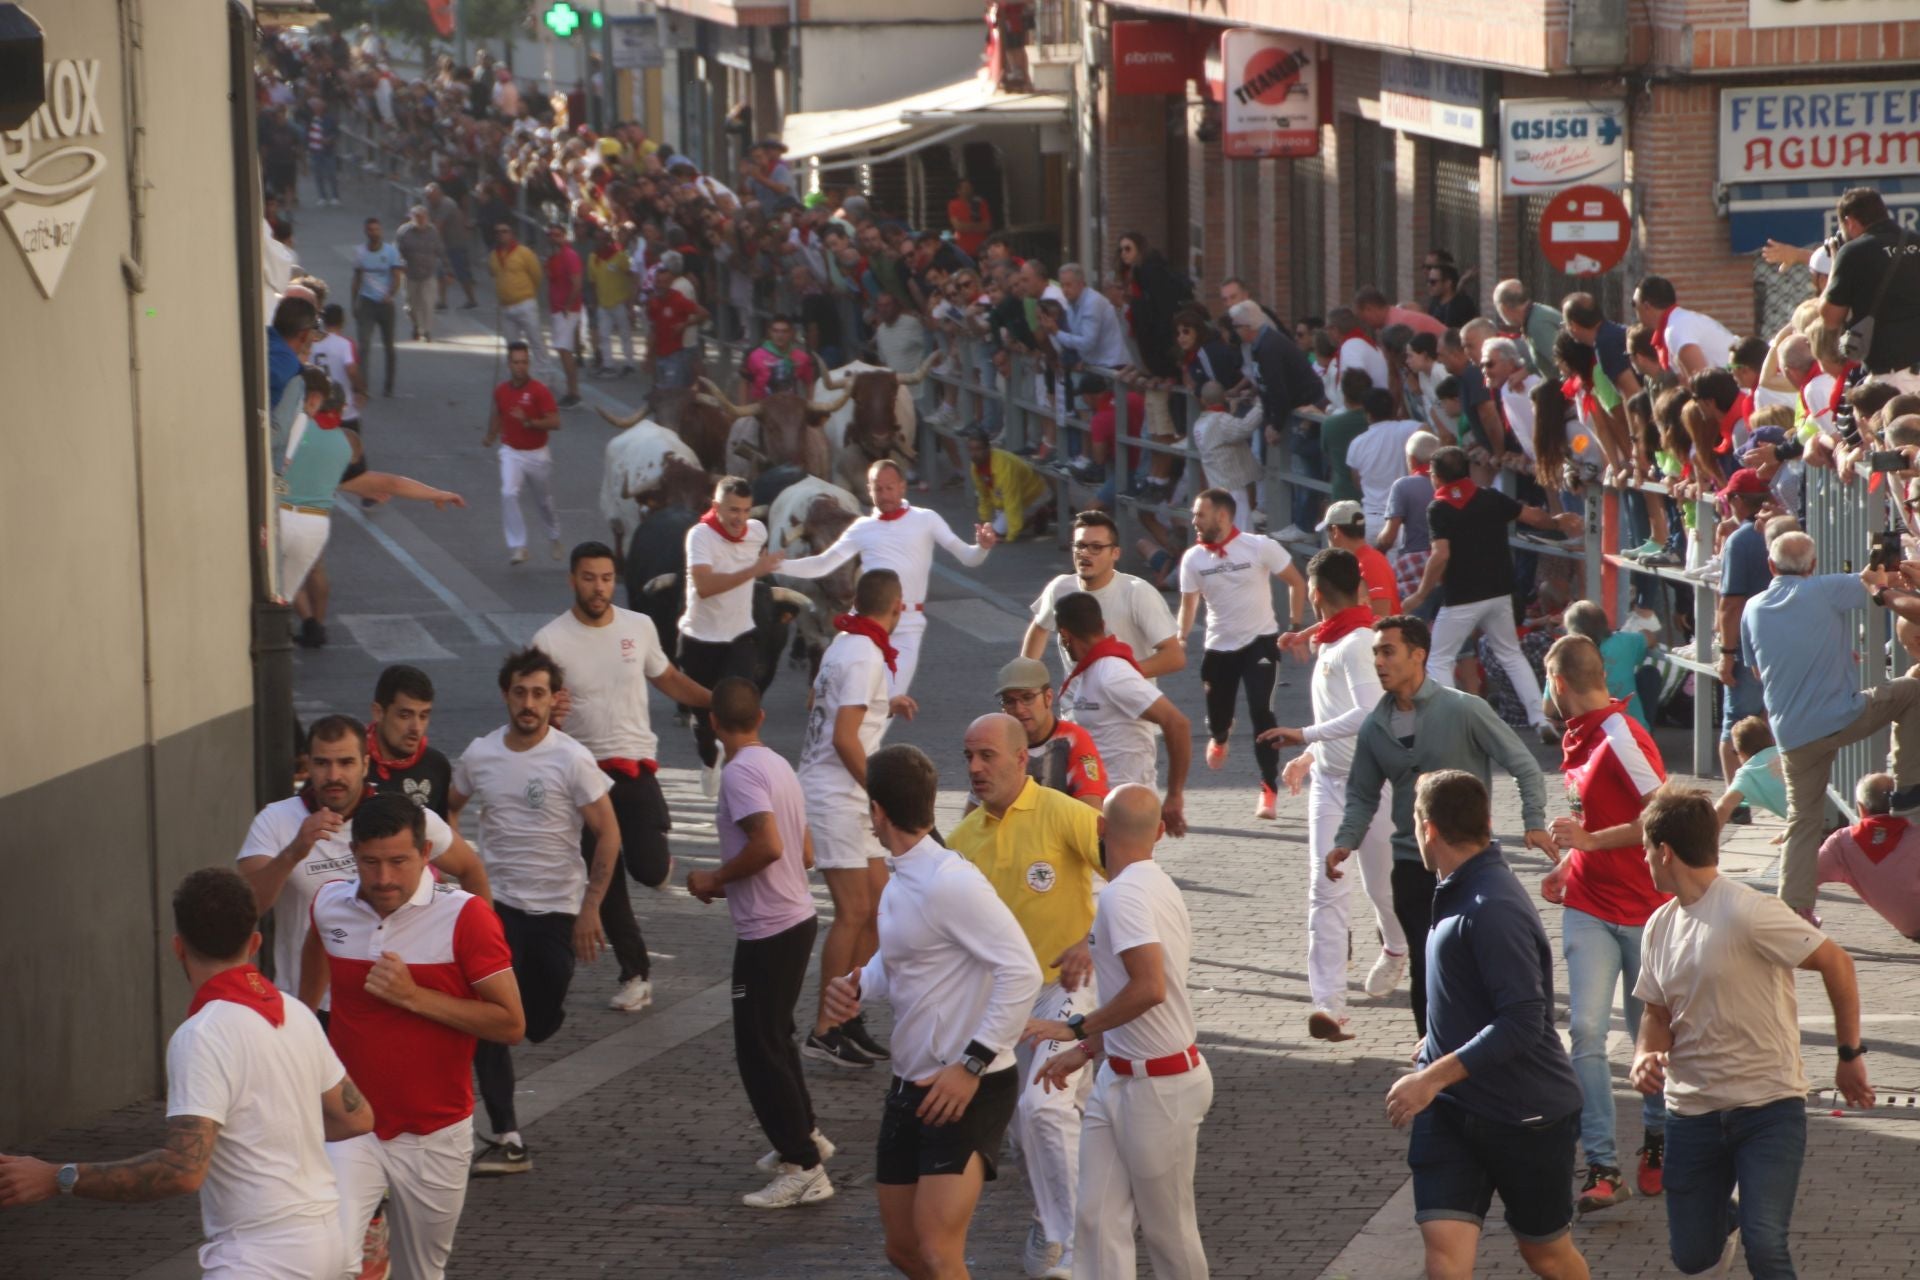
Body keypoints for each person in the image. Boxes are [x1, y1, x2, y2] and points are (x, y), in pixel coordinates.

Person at [0, 868, 371, 1278]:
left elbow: (183, 1170)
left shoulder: (203, 1035)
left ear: (178, 948)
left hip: (260, 1260)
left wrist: (59, 1177)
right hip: (327, 1244)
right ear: (254, 943)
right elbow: (356, 1116)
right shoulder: (296, 1013)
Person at [1631, 784, 1873, 1279]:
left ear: (1664, 852)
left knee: (1766, 1244)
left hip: (1768, 1107)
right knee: (1693, 1255)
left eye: (1645, 852)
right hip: (1692, 1114)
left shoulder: (1749, 911)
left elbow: (1837, 963)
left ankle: (1748, 1216)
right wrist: (1643, 1057)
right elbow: (1656, 1015)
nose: (1645, 862)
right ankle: (1728, 1215)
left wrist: (1850, 1054)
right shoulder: (1659, 926)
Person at [822, 744, 1042, 1280]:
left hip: (970, 1089)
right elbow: (902, 959)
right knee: (904, 1250)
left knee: (939, 1249)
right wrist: (859, 983)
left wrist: (970, 1066)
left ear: (877, 811)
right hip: (909, 1087)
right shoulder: (902, 877)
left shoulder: (951, 882)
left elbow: (1023, 971)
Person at [305, 795, 525, 1279]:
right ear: (353, 853)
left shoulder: (466, 917)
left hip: (435, 1135)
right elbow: (315, 958)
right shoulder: (329, 903)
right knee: (327, 1261)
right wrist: (303, 1032)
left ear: (426, 853)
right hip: (350, 1128)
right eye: (370, 862)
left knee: (420, 1273)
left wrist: (412, 996)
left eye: (398, 861)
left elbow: (511, 1024)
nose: (383, 878)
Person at [1386, 771, 1590, 1280]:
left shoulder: (1491, 907)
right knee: (1443, 1248)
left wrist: (1431, 1077)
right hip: (1454, 1110)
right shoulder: (1457, 887)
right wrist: (1437, 1039)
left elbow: (1523, 1021)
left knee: (1545, 1253)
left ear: (1428, 830)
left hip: (1523, 1114)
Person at [1330, 615, 1551, 1038]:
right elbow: (1361, 793)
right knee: (1426, 963)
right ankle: (1430, 1056)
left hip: (1472, 867)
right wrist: (1345, 840)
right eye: (1375, 652)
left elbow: (1524, 765)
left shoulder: (1464, 708)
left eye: (1387, 651)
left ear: (1418, 656)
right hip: (1413, 866)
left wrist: (1534, 820)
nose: (1378, 661)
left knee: (1479, 962)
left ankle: (1487, 1050)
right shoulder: (1375, 726)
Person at [449, 647, 623, 1176]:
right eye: (520, 692)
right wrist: (464, 870)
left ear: (553, 700)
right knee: (490, 1022)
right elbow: (449, 810)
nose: (528, 703)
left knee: (539, 1023)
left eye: (539, 694)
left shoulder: (571, 758)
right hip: (495, 908)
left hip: (556, 910)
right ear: (507, 694)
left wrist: (591, 909)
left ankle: (533, 1019)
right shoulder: (479, 755)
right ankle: (506, 1134)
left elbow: (608, 833)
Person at [1026, 784, 1211, 1280]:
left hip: (1160, 1089)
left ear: (1101, 829)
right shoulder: (1152, 884)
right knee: (1096, 1218)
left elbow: (1149, 988)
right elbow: (1145, 992)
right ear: (1158, 834)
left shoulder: (1124, 896)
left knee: (1168, 1233)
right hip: (1121, 1079)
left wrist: (1074, 1029)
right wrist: (1088, 1050)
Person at [949, 713, 1104, 1278]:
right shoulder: (962, 840)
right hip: (1001, 1002)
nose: (974, 767)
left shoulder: (1066, 814)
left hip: (1066, 987)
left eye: (986, 755)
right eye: (968, 755)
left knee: (1043, 1103)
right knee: (1023, 1125)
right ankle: (1056, 1216)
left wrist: (1091, 941)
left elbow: (1134, 876)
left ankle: (1073, 1237)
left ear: (1021, 758)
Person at [536, 542, 714, 1014]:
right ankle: (636, 975)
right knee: (605, 881)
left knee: (650, 869)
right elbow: (531, 709)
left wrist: (717, 703)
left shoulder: (639, 626)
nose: (599, 587)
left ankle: (658, 864)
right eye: (590, 578)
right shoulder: (549, 641)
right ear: (573, 580)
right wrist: (548, 714)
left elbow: (668, 678)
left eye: (607, 578)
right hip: (584, 776)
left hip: (635, 767)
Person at [688, 678, 835, 1209]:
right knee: (775, 1036)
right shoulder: (776, 765)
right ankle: (807, 1134)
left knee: (758, 1049)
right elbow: (807, 852)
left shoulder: (741, 772)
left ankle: (803, 1165)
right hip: (795, 920)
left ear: (713, 723)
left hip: (770, 929)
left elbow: (770, 845)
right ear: (761, 717)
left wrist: (715, 878)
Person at [1537, 636, 1670, 1212]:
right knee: (1586, 1034)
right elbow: (1590, 815)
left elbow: (1664, 811)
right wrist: (1571, 862)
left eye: (1546, 683)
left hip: (1644, 911)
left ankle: (1658, 1140)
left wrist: (1590, 841)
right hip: (1589, 905)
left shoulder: (1618, 734)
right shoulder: (1577, 737)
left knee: (1653, 1039)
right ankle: (1602, 1164)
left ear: (1559, 683)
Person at [1259, 550, 1406, 1041]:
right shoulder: (1331, 639)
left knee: (1382, 891)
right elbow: (1341, 715)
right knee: (1325, 891)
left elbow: (1369, 713)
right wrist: (1311, 756)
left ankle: (1397, 948)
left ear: (1316, 594)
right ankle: (1328, 1004)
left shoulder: (1358, 642)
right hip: (1329, 785)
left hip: (1373, 785)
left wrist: (1304, 736)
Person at [237, 716, 487, 1002]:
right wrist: (294, 851)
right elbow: (247, 907)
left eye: (346, 762)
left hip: (393, 1000)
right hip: (309, 1005)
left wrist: (481, 963)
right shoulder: (276, 820)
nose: (334, 776)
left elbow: (471, 870)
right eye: (322, 763)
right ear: (308, 764)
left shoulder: (405, 817)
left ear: (365, 765)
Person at [1740, 530, 1920, 918]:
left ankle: (1794, 912)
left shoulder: (1752, 608)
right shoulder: (1826, 589)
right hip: (1843, 716)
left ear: (1771, 566)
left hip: (1792, 733)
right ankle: (1908, 787)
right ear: (1814, 565)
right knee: (1911, 691)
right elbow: (1877, 584)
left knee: (1801, 821)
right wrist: (1892, 566)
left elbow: (1757, 670)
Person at [799, 569, 917, 1069]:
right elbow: (844, 737)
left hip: (845, 794)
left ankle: (848, 1013)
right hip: (837, 796)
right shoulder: (866, 654)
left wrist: (881, 705)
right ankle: (825, 1028)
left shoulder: (845, 644)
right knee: (852, 912)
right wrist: (878, 789)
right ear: (897, 607)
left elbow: (818, 704)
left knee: (876, 908)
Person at [1404, 446, 1584, 741]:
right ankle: (1539, 720)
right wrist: (1557, 521)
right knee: (1511, 654)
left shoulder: (1439, 508)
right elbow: (1534, 517)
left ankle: (1449, 725)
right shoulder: (1490, 497)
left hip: (1461, 596)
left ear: (1436, 477)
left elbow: (1440, 556)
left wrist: (1420, 594)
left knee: (1439, 657)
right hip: (1500, 592)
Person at [779, 458, 996, 696]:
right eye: (877, 488)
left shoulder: (926, 519)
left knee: (887, 701)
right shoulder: (861, 527)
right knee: (838, 690)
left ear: (902, 487)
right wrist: (775, 566)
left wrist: (982, 547)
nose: (884, 495)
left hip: (908, 626)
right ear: (869, 490)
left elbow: (968, 557)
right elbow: (822, 564)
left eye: (889, 487)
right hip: (866, 622)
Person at [1176, 487, 1307, 819]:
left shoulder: (1259, 546)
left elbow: (1296, 582)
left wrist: (1293, 625)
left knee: (1262, 711)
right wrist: (1179, 638)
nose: (1194, 520)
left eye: (1199, 514)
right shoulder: (1193, 558)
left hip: (1260, 643)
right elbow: (1188, 604)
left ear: (1221, 515)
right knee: (1219, 716)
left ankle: (1268, 788)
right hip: (1218, 647)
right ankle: (1220, 735)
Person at [1054, 591, 1192, 834]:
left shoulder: (1112, 673)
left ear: (1064, 635)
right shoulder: (1095, 669)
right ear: (1102, 625)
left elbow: (1177, 723)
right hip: (1098, 803)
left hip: (1125, 808)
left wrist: (1174, 795)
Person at [680, 478, 785, 795]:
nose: (739, 518)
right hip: (700, 639)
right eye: (732, 510)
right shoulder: (700, 536)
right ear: (715, 508)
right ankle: (710, 760)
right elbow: (706, 587)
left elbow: (764, 554)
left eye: (744, 510)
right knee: (703, 719)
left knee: (736, 709)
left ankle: (746, 779)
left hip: (739, 637)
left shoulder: (757, 532)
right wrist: (755, 570)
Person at [1024, 511, 1184, 681]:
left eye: (1096, 547)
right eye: (1080, 546)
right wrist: (1023, 679)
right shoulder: (1060, 588)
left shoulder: (1138, 593)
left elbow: (1174, 657)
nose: (1085, 553)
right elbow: (1039, 629)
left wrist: (1121, 676)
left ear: (1115, 553)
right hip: (1075, 706)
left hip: (1128, 704)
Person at [1820, 186, 1920, 392]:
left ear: (1850, 222)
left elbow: (1830, 317)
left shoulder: (1853, 252)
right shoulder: (1916, 241)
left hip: (1893, 370)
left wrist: (1834, 264)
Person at [1714, 468, 1773, 783]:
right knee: (1770, 719)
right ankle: (1773, 793)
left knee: (1735, 723)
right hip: (1780, 642)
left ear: (1737, 500)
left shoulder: (1740, 540)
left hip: (1747, 646)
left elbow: (1731, 603)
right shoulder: (1783, 528)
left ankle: (1737, 801)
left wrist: (1726, 652)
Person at [485, 341, 564, 566]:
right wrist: (490, 435)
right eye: (516, 362)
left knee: (544, 503)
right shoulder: (500, 390)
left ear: (528, 363)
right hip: (511, 452)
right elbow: (498, 413)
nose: (520, 367)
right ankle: (519, 546)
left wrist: (529, 422)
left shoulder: (539, 391)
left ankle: (554, 536)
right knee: (508, 493)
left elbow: (556, 422)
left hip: (537, 454)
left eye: (524, 362)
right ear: (508, 364)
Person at [992, 656, 1109, 807]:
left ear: (1048, 698)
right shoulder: (996, 743)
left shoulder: (1073, 740)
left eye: (1027, 698)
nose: (1019, 709)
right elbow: (974, 814)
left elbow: (1091, 811)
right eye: (1009, 701)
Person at [1817, 773, 1920, 940]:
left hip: (1911, 927)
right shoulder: (1915, 833)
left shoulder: (1841, 843)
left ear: (1861, 807)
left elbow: (1806, 877)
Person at [1557, 600, 1657, 733]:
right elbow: (1651, 638)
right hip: (1633, 731)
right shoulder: (1624, 641)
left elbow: (1549, 709)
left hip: (1590, 734)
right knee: (1650, 673)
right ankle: (1646, 730)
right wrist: (1640, 630)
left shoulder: (1565, 652)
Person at [368, 664, 453, 818]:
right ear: (378, 713)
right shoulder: (350, 762)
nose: (416, 728)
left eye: (423, 716)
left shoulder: (437, 766)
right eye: (405, 715)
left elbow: (445, 832)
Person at [1377, 431, 1440, 611]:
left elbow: (1389, 536)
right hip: (1447, 565)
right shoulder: (1450, 485)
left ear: (1411, 459)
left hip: (1413, 565)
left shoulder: (1403, 486)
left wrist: (1376, 553)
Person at [1344, 389, 1421, 537]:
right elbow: (1428, 432)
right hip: (1402, 520)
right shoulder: (1407, 428)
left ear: (1367, 414)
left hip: (1370, 519)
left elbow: (1357, 481)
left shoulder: (1357, 443)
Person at [1632, 275, 1740, 379]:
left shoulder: (1676, 329)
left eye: (1634, 304)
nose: (1635, 313)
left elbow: (1701, 383)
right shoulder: (1676, 322)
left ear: (1647, 307)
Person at [1188, 381, 1263, 518]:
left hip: (1216, 488)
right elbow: (1244, 427)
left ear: (1203, 401)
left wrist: (1229, 411)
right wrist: (1260, 405)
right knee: (1240, 536)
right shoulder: (1222, 421)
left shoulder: (1199, 424)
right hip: (1233, 491)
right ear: (1224, 397)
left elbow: (1223, 429)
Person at [967, 426, 1051, 543]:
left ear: (988, 449)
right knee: (993, 531)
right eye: (971, 450)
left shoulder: (1003, 466)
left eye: (978, 449)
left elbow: (1012, 500)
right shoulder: (975, 466)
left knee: (999, 532)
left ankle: (1037, 512)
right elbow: (984, 495)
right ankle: (1031, 516)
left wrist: (1011, 536)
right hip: (1004, 498)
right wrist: (984, 521)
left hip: (1033, 492)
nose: (974, 454)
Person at [1317, 499, 1400, 614]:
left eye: (1327, 530)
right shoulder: (1364, 560)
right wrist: (1305, 633)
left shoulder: (1369, 564)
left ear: (1335, 531)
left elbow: (1381, 617)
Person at [351, 217, 401, 397]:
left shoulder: (390, 252)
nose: (374, 233)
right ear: (366, 232)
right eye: (370, 230)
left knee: (389, 346)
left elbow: (396, 276)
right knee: (364, 346)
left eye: (377, 230)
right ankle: (363, 387)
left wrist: (390, 294)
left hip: (385, 305)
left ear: (381, 231)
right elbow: (357, 278)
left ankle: (389, 386)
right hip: (366, 303)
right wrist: (354, 303)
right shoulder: (360, 252)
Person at [647, 250, 709, 391]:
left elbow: (702, 313)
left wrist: (684, 325)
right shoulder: (656, 301)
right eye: (658, 282)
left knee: (674, 392)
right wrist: (649, 355)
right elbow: (654, 328)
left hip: (680, 350)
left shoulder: (678, 292)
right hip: (666, 352)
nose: (660, 285)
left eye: (663, 282)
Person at [489, 224, 545, 369]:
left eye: (504, 231)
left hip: (525, 303)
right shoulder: (494, 255)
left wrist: (529, 293)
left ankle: (545, 375)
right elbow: (494, 275)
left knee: (536, 341)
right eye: (497, 232)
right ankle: (516, 375)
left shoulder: (525, 252)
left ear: (512, 233)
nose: (500, 234)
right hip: (506, 307)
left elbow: (537, 275)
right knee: (512, 345)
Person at [1716, 716, 1787, 826]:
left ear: (1741, 752)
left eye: (1735, 752)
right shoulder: (1785, 754)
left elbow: (1723, 806)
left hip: (1813, 822)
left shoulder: (1748, 772)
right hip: (1818, 810)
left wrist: (1709, 838)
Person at [588, 226, 637, 377]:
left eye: (603, 239)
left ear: (608, 240)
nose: (600, 242)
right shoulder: (593, 258)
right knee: (604, 335)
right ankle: (608, 365)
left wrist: (630, 302)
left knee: (625, 334)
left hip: (620, 302)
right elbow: (593, 282)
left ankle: (629, 363)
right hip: (603, 304)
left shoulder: (620, 256)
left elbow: (632, 276)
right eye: (597, 239)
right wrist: (594, 302)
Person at [544, 224, 584, 407]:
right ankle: (572, 390)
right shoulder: (554, 257)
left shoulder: (569, 255)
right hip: (558, 309)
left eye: (558, 235)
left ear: (564, 236)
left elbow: (576, 283)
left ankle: (573, 392)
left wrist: (567, 306)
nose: (554, 238)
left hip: (566, 310)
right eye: (551, 235)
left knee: (564, 349)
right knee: (563, 349)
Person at [1493, 279, 1563, 378]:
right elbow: (1545, 358)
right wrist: (1526, 371)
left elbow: (1564, 363)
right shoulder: (1535, 315)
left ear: (1503, 307)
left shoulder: (1537, 325)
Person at [395, 205, 444, 343]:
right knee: (410, 306)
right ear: (412, 218)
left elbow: (440, 250)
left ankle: (426, 331)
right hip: (410, 274)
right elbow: (397, 252)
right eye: (417, 217)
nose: (421, 220)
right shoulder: (404, 232)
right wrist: (400, 264)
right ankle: (416, 325)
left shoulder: (433, 231)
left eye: (423, 217)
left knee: (428, 303)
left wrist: (448, 270)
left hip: (428, 273)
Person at [947, 178, 992, 258]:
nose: (968, 190)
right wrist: (977, 226)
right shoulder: (953, 204)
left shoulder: (981, 203)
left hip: (981, 248)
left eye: (970, 187)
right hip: (963, 250)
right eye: (965, 188)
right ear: (958, 191)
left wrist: (966, 226)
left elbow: (987, 226)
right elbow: (958, 227)